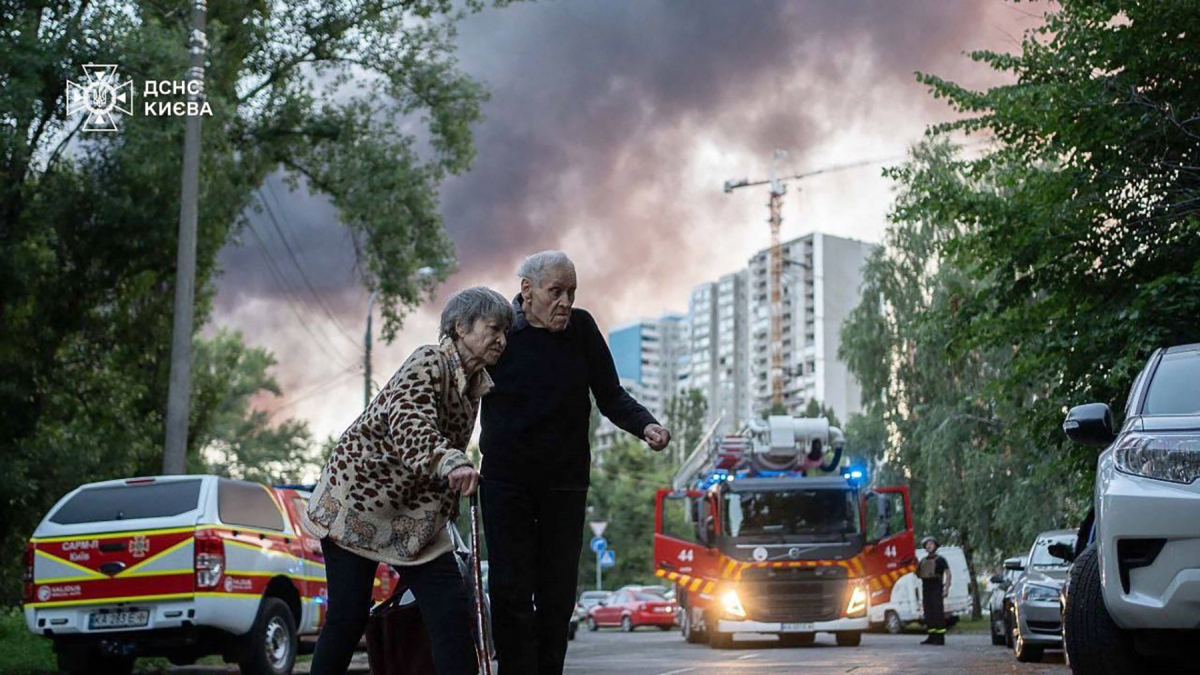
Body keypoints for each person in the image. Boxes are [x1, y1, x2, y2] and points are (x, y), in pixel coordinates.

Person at [479, 251, 671, 675]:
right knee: (510, 593)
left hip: (564, 486)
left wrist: (647, 426)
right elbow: (463, 385)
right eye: (556, 292)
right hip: (506, 484)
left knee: (558, 597)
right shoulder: (500, 332)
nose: (565, 301)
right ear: (527, 291)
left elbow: (611, 395)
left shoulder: (581, 329)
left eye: (571, 292)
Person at [305, 286, 514, 675]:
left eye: (505, 332)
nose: (501, 340)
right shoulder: (428, 360)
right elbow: (410, 421)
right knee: (348, 617)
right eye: (493, 328)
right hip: (359, 505)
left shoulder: (474, 385)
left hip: (415, 519)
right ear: (459, 327)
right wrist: (451, 461)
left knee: (451, 611)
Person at [917, 535, 951, 645]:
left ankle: (940, 637)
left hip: (936, 588)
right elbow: (917, 573)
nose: (929, 546)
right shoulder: (922, 561)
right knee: (929, 613)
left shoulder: (940, 560)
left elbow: (948, 573)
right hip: (926, 588)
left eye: (931, 544)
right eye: (927, 544)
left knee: (937, 613)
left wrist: (946, 588)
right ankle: (931, 636)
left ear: (935, 546)